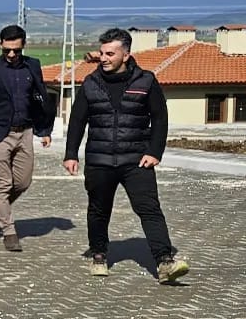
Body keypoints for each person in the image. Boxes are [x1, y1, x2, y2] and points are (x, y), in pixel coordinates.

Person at [63, 28, 189, 281]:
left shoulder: (146, 81)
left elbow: (159, 118)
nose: (104, 58)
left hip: (136, 160)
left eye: (110, 53)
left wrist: (155, 152)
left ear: (126, 54)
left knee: (149, 209)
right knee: (99, 209)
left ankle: (165, 262)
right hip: (99, 159)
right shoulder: (91, 82)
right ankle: (99, 254)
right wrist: (71, 154)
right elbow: (78, 120)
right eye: (102, 53)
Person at [0, 24, 56, 252]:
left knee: (23, 182)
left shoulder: (33, 66)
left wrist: (44, 130)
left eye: (16, 50)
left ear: (23, 46)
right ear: (0, 45)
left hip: (25, 132)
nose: (11, 54)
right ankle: (8, 231)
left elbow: (40, 99)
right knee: (2, 184)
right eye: (7, 50)